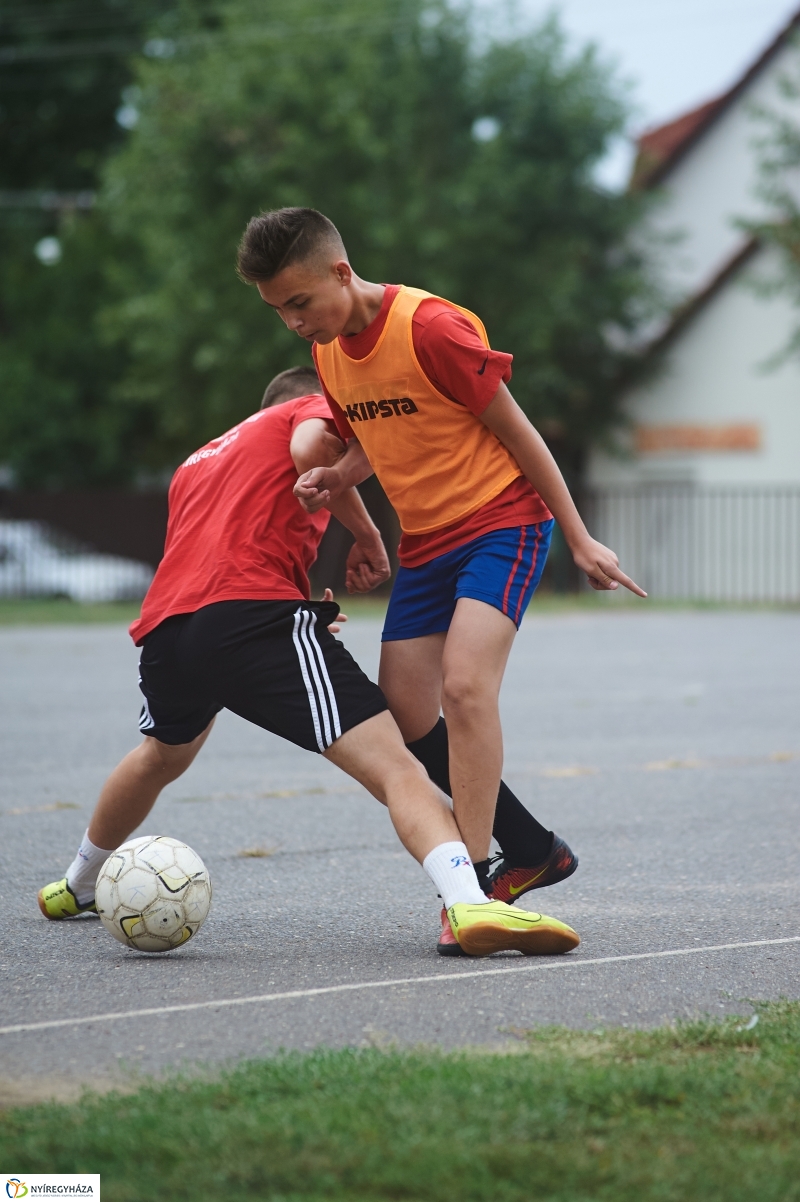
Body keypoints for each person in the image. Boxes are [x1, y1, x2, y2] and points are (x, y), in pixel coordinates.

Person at [37, 367, 580, 959]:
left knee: (161, 755)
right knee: (395, 767)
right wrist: (368, 537)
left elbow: (222, 552)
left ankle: (77, 885)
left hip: (170, 633)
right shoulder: (308, 410)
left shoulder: (198, 460)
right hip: (252, 623)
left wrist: (295, 606)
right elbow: (308, 452)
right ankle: (469, 901)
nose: (342, 438)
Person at [235, 208, 646, 954]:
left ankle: (483, 879)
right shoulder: (331, 355)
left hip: (502, 523)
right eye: (279, 312)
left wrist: (580, 538)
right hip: (424, 541)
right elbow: (375, 437)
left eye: (300, 302)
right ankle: (534, 850)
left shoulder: (430, 327)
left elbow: (520, 431)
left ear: (339, 270)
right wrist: (336, 472)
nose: (294, 322)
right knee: (406, 708)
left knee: (464, 687)